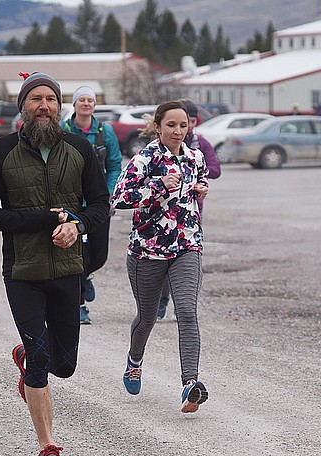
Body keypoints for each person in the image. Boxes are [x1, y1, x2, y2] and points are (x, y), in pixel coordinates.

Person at [0, 72, 109, 456]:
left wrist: (78, 225)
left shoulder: (80, 148)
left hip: (69, 268)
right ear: (23, 107)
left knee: (64, 365)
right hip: (23, 270)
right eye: (36, 99)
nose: (44, 105)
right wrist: (42, 219)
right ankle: (48, 448)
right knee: (41, 359)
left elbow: (102, 203)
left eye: (50, 98)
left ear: (60, 106)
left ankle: (28, 358)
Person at [111, 100, 210, 413]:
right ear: (158, 126)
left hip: (187, 245)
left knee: (187, 312)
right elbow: (120, 197)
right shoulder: (147, 158)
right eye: (171, 125)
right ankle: (134, 360)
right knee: (147, 317)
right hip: (148, 251)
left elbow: (200, 183)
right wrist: (157, 185)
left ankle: (190, 384)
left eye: (183, 125)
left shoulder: (195, 157)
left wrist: (200, 190)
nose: (178, 131)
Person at [61, 85, 122, 325]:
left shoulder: (105, 132)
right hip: (72, 204)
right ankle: (79, 305)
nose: (86, 104)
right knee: (77, 255)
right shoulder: (63, 130)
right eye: (81, 100)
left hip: (98, 204)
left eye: (90, 100)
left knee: (98, 255)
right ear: (74, 105)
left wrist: (107, 194)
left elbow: (115, 165)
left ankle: (86, 278)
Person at [156, 100, 221, 320]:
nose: (185, 128)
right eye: (182, 123)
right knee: (165, 262)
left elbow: (214, 169)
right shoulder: (156, 149)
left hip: (191, 214)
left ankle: (183, 306)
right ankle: (162, 301)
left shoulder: (200, 146)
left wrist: (198, 181)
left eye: (189, 123)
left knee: (187, 264)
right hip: (162, 215)